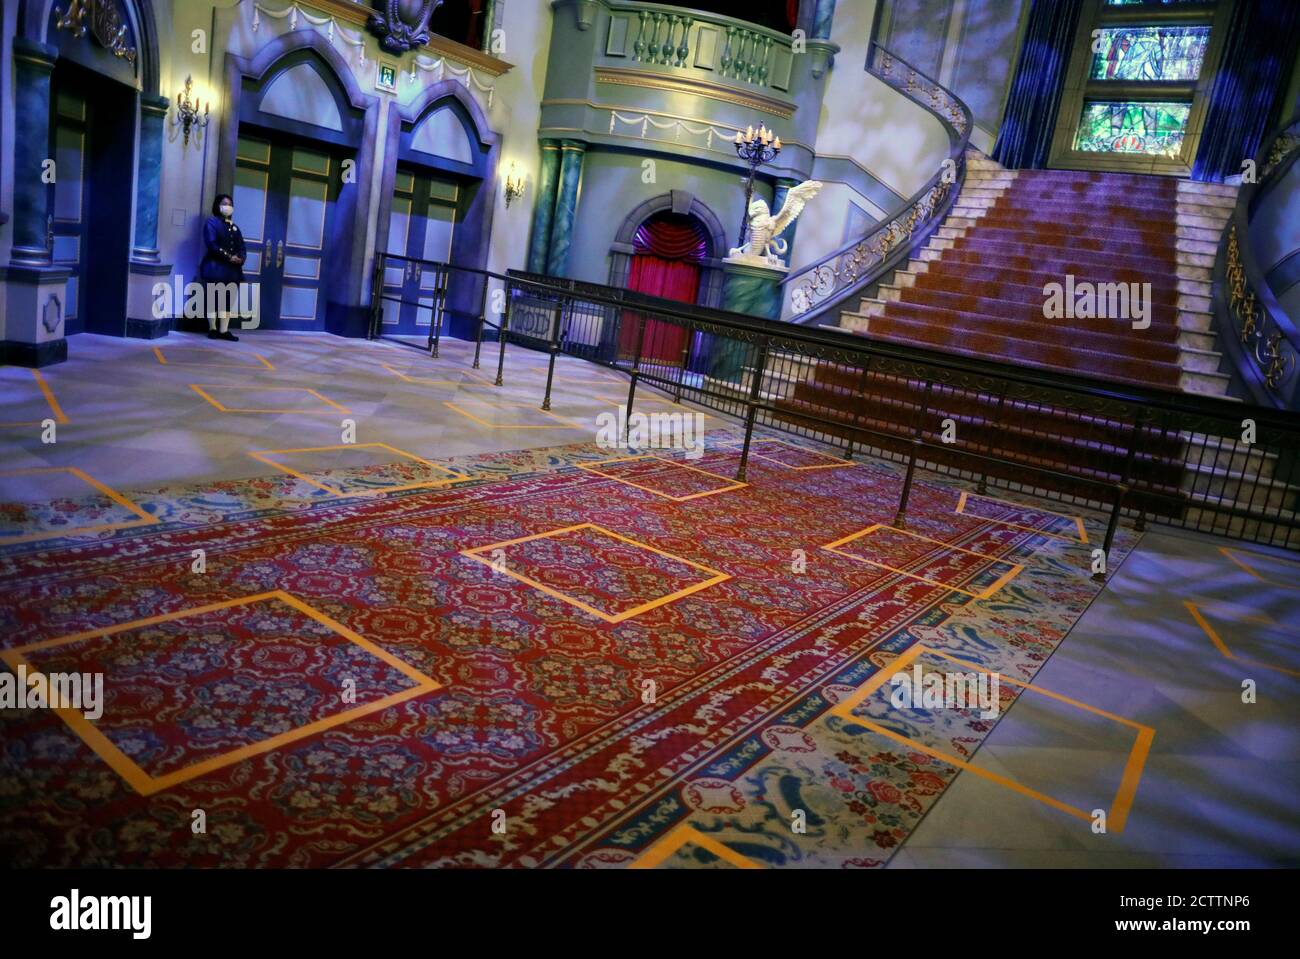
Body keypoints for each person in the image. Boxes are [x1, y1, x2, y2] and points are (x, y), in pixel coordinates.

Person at [199, 194, 246, 341]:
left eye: (230, 203)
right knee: (213, 298)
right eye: (224, 203)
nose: (228, 206)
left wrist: (241, 258)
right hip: (216, 267)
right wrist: (229, 257)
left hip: (232, 270)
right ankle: (212, 328)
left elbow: (242, 246)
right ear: (217, 205)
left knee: (228, 300)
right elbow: (212, 244)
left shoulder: (234, 227)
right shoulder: (211, 223)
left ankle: (224, 330)